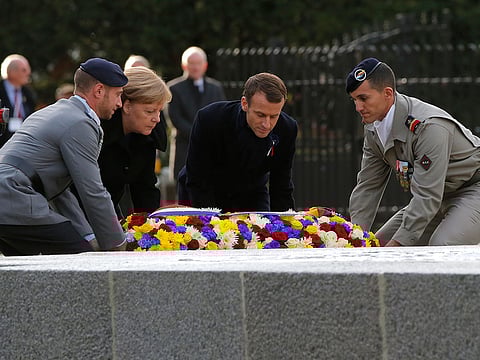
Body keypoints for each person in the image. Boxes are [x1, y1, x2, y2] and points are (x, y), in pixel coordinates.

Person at [346, 57, 480, 246]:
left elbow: (427, 196)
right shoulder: (373, 129)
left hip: (472, 188)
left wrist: (399, 244)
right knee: (377, 245)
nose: (358, 107)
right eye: (354, 100)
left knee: (442, 247)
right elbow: (368, 186)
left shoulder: (428, 127)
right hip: (438, 196)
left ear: (387, 93)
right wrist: (355, 237)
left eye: (363, 98)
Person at [0, 57, 128, 255]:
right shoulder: (81, 124)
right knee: (80, 264)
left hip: (11, 199)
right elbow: (93, 191)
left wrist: (90, 239)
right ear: (99, 90)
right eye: (118, 95)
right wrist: (118, 246)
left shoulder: (53, 112)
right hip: (14, 199)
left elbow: (60, 192)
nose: (120, 103)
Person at [177, 72, 298, 212]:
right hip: (202, 189)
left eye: (274, 116)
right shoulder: (210, 119)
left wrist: (286, 227)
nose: (267, 124)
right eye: (260, 115)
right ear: (245, 104)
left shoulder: (287, 128)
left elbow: (281, 184)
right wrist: (208, 222)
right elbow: (197, 177)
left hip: (252, 192)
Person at [97, 66, 171, 216]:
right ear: (127, 106)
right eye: (149, 111)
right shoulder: (98, 133)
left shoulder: (147, 136)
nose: (156, 119)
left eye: (159, 111)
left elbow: (145, 188)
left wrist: (151, 230)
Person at [166, 46, 226, 182]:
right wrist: (199, 134)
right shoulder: (173, 88)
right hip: (184, 149)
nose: (195, 67)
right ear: (184, 65)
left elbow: (222, 115)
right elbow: (175, 118)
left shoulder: (215, 88)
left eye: (198, 63)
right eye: (191, 63)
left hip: (211, 150)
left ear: (205, 65)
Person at [0, 54, 36, 148]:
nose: (28, 73)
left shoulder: (28, 93)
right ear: (11, 71)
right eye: (24, 70)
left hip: (23, 145)